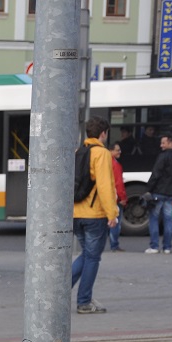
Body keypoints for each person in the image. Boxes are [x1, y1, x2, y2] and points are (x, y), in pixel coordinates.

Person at [72, 116, 119, 314]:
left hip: (76, 213)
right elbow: (105, 185)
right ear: (103, 133)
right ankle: (84, 302)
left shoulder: (79, 152)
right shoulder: (102, 153)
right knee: (92, 258)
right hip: (94, 214)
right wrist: (112, 213)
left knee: (87, 254)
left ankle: (57, 293)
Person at [143, 133, 172, 254]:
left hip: (158, 192)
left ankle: (154, 246)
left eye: (163, 143)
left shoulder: (163, 156)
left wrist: (148, 189)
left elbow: (156, 174)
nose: (161, 145)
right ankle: (167, 247)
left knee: (154, 218)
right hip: (171, 194)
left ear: (171, 143)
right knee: (168, 219)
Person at [108, 143, 128, 252]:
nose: (119, 152)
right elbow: (119, 183)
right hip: (115, 198)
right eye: (117, 150)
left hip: (106, 197)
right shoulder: (115, 165)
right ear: (111, 151)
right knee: (115, 222)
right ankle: (114, 245)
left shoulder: (105, 162)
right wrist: (123, 197)